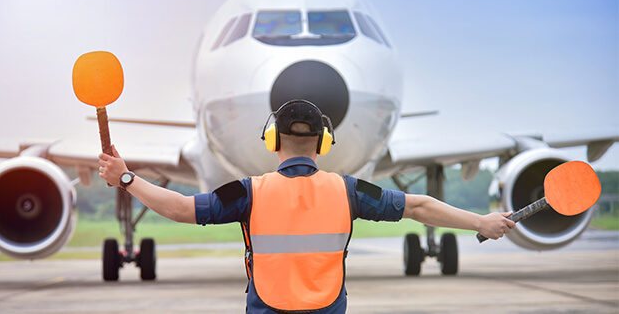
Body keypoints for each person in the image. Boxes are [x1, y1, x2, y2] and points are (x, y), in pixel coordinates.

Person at [98, 99, 515, 313]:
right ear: (324, 143)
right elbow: (419, 206)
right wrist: (482, 220)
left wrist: (127, 177)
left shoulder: (248, 192)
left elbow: (178, 208)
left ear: (272, 140)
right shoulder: (348, 191)